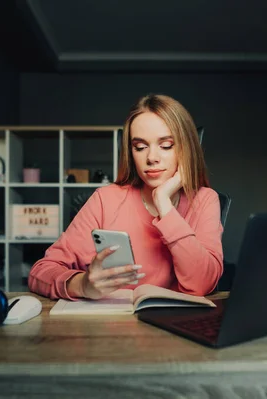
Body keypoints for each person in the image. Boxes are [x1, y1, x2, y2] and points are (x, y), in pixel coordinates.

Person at [28, 94, 224, 300]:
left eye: (166, 145)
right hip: (114, 325)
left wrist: (164, 203)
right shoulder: (106, 199)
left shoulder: (204, 200)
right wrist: (82, 285)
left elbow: (203, 283)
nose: (151, 158)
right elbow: (40, 271)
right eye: (140, 147)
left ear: (186, 150)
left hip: (174, 326)